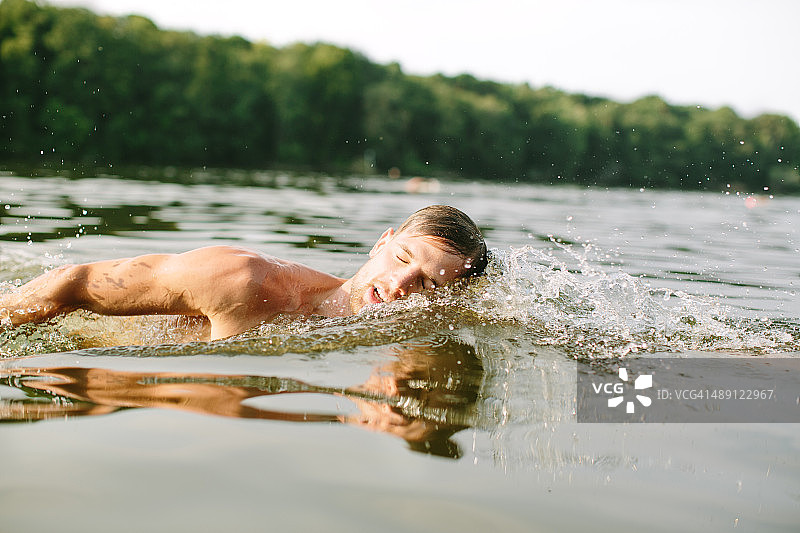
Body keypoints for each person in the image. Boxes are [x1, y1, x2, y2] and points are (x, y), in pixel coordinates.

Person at [0, 205, 488, 341]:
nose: (402, 286)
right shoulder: (243, 279)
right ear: (382, 242)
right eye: (403, 259)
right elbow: (76, 282)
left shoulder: (406, 345)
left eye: (429, 284)